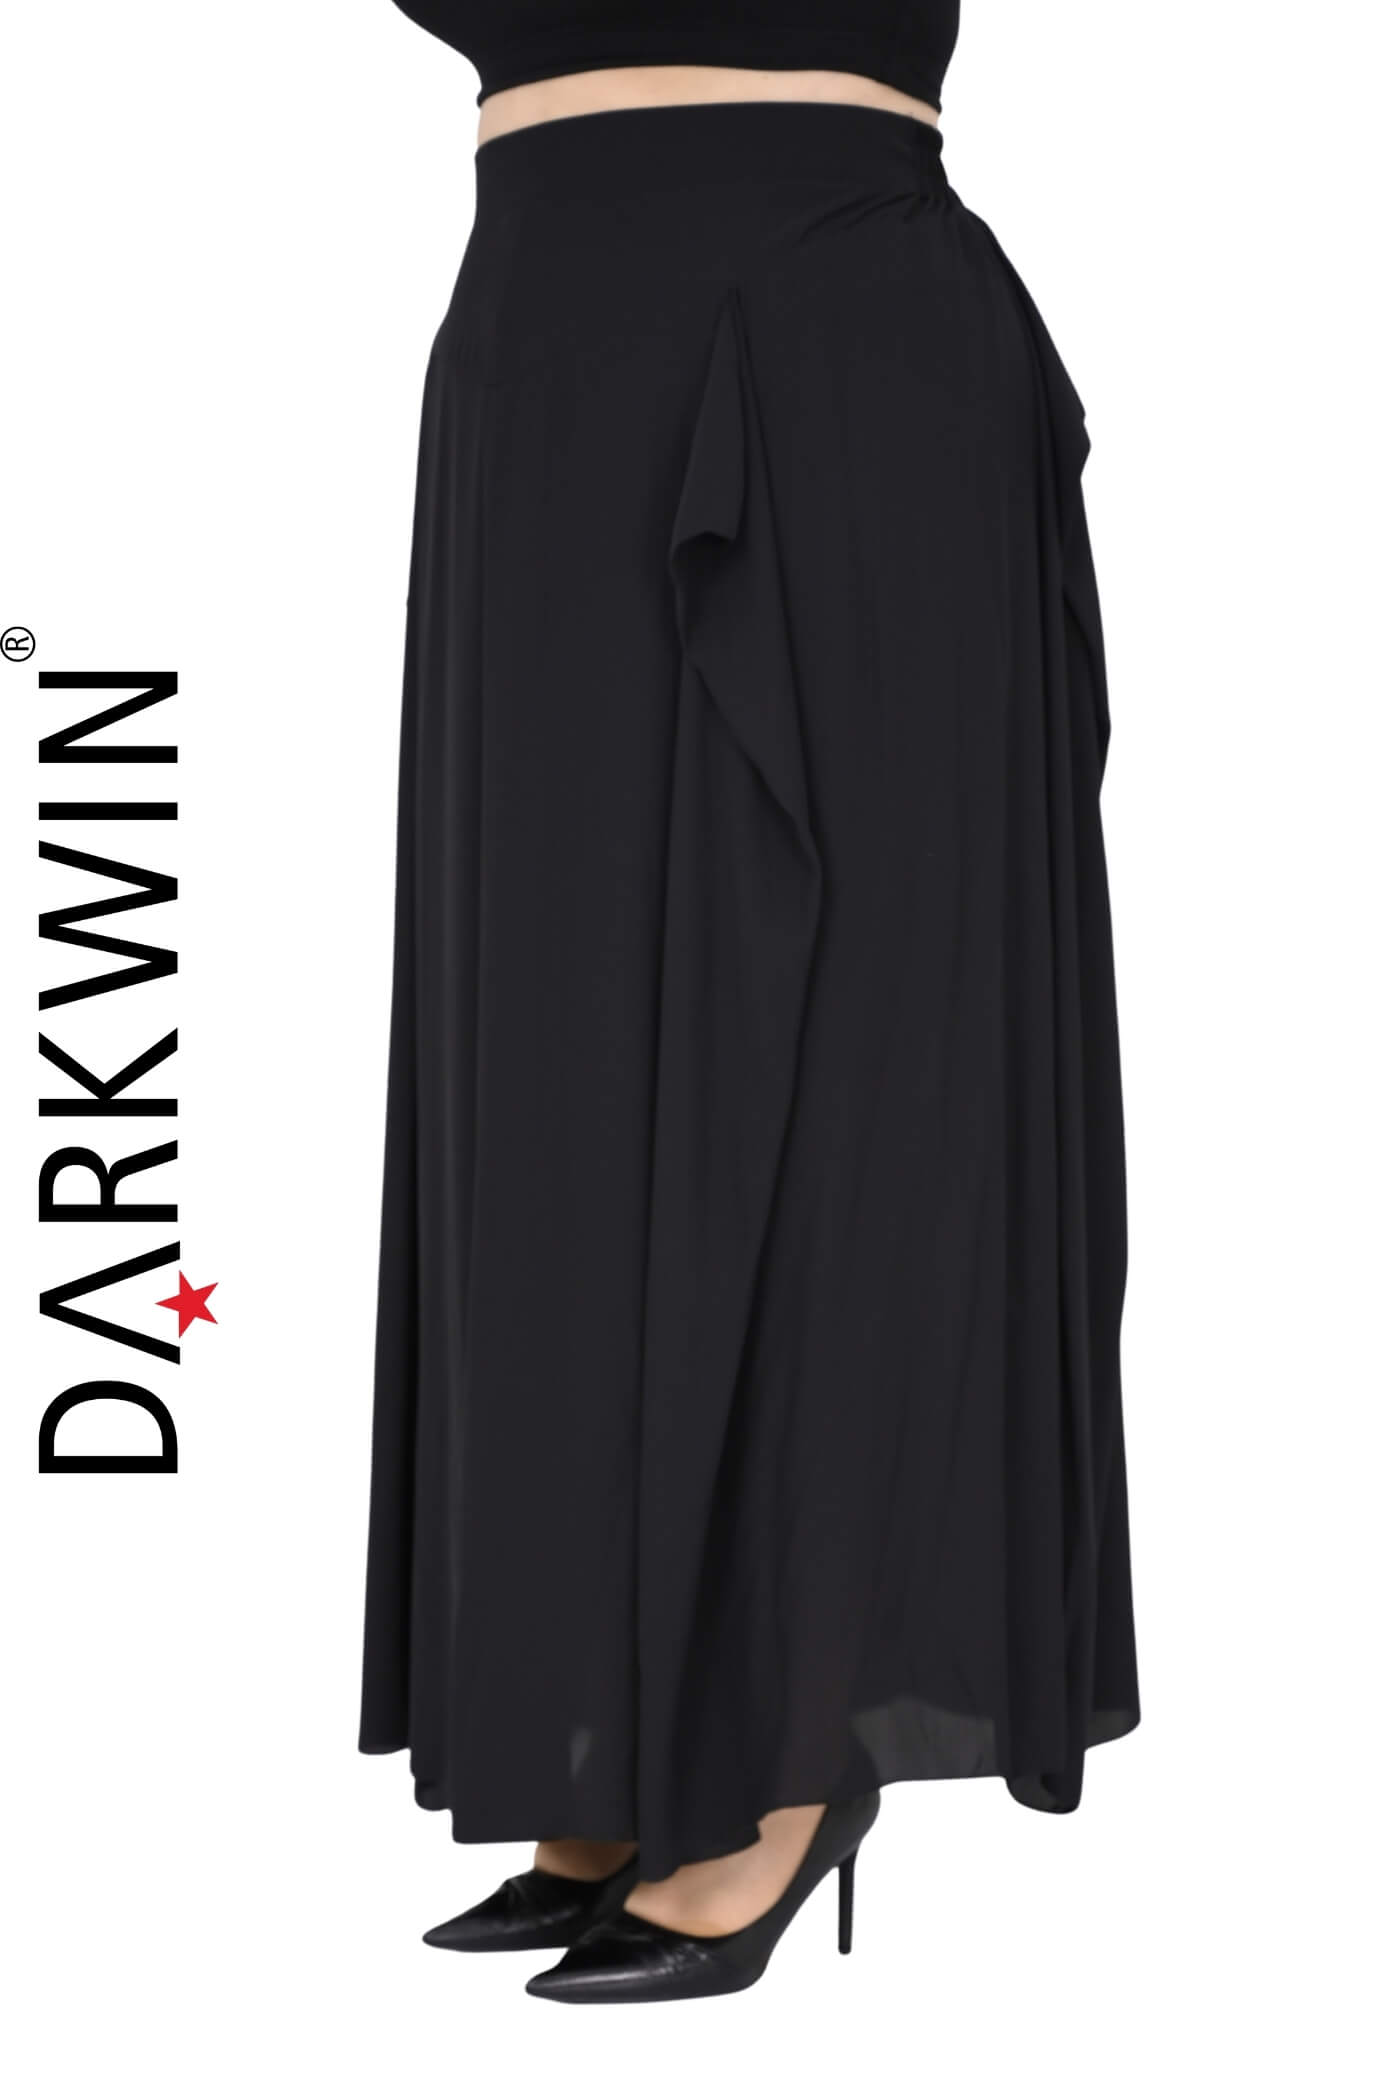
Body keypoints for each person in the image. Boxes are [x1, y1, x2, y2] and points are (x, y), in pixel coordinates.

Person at [359, 0, 1140, 2006]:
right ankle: (604, 1737)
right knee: (546, 1069)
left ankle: (789, 1744)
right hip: (545, 356)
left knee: (852, 1053)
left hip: (832, 332)